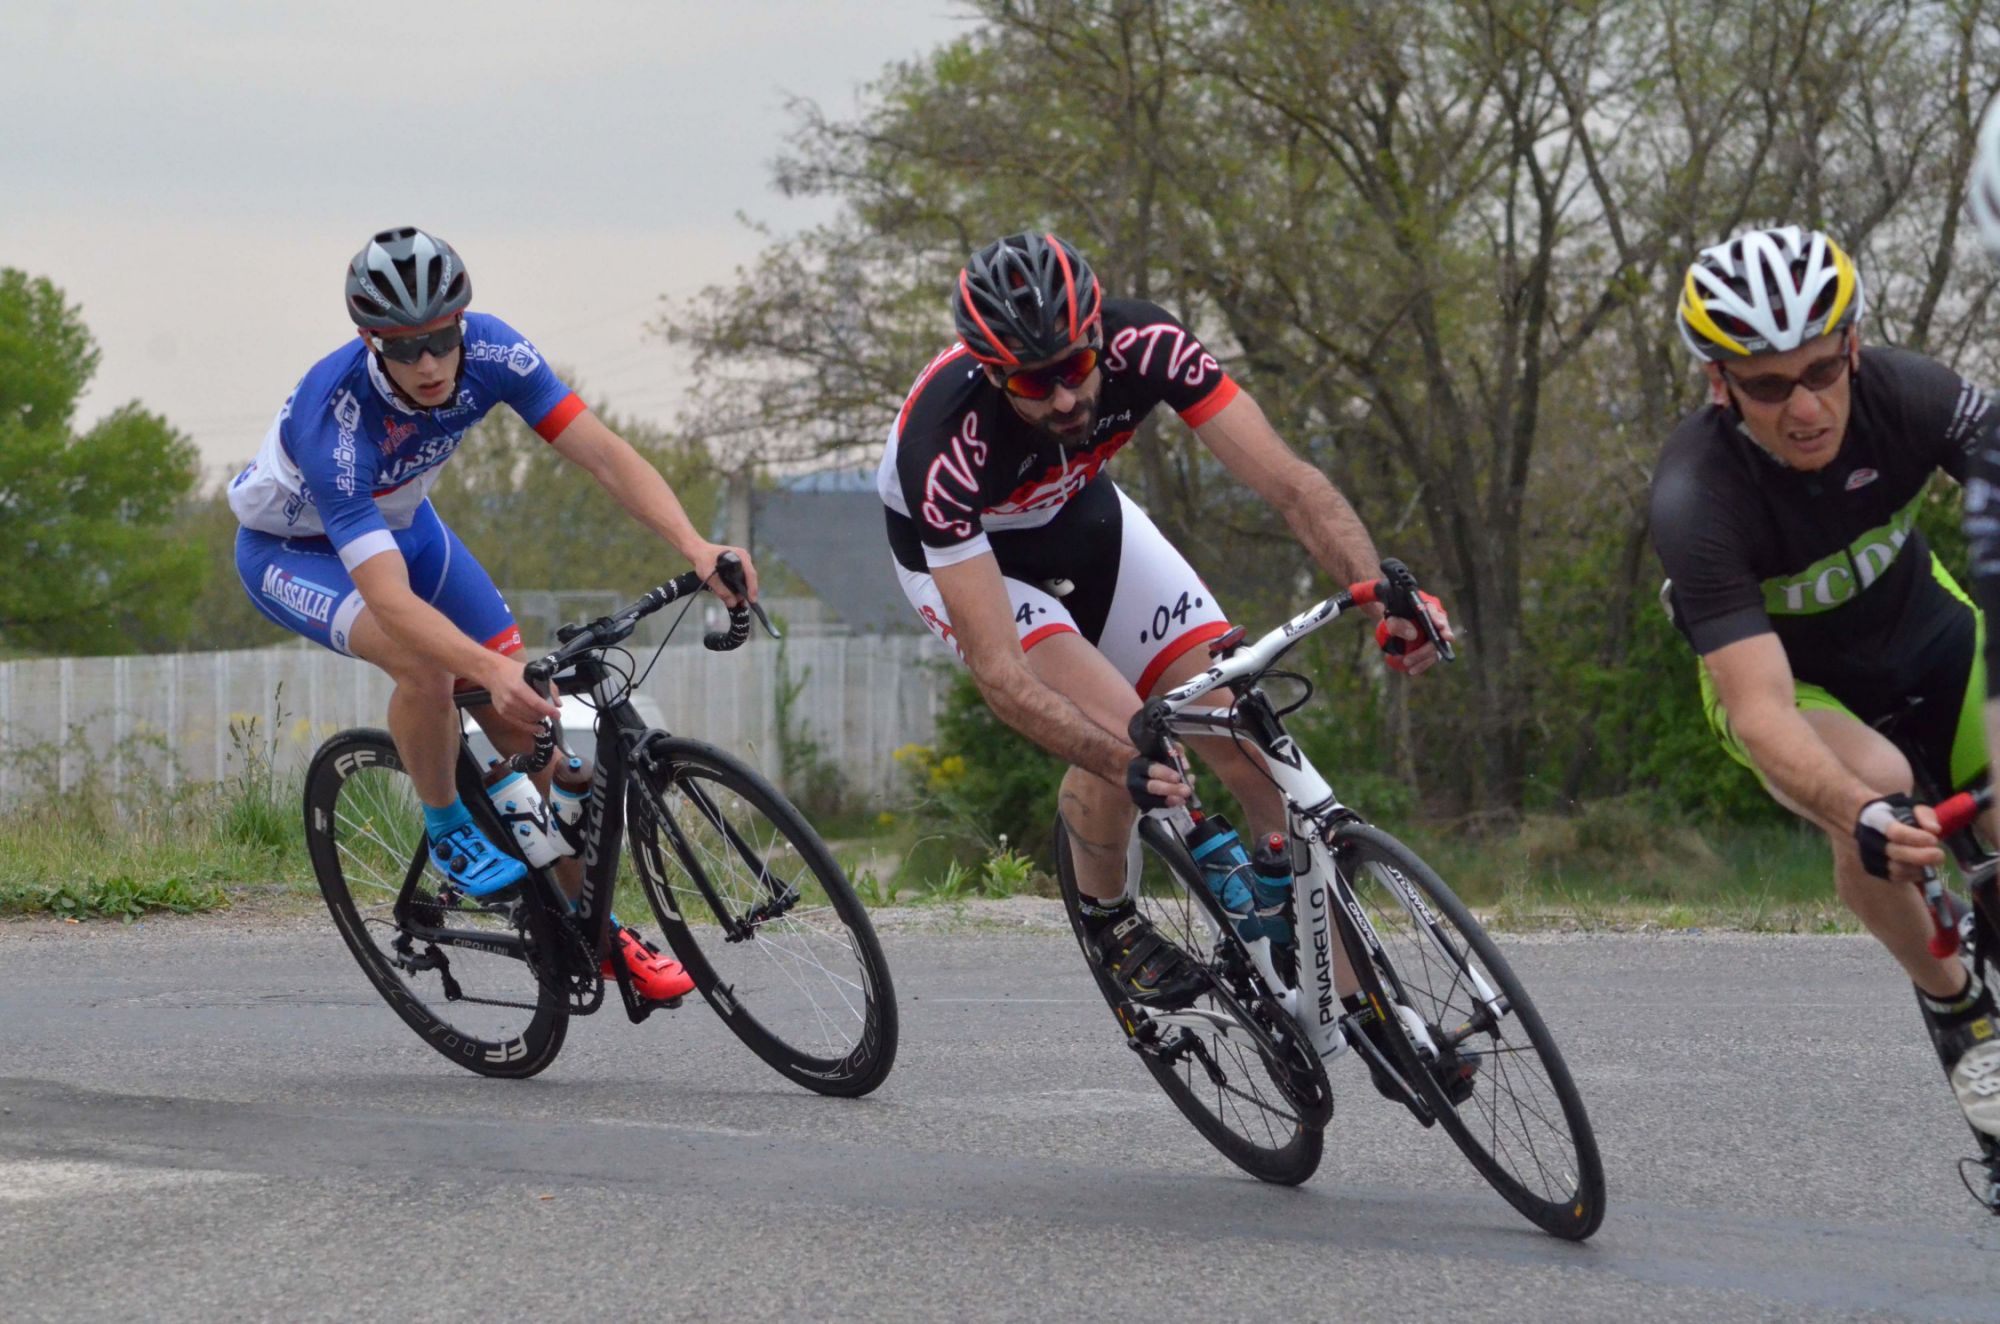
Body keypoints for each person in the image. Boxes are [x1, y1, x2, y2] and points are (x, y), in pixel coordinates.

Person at [876, 230, 1451, 1010]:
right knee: (1127, 737)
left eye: (1076, 367)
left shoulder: (1146, 341)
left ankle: (1375, 1015)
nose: (1064, 400)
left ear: (1098, 335)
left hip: (1083, 518)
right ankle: (1109, 917)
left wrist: (1381, 592)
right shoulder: (944, 446)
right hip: (973, 565)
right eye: (1034, 384)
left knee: (1245, 741)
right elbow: (1002, 677)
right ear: (993, 373)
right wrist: (1116, 758)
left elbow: (1291, 485)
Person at [229, 226, 758, 1004]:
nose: (429, 363)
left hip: (409, 527)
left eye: (441, 339)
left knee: (531, 730)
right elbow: (389, 601)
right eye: (405, 348)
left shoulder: (495, 351)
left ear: (462, 324)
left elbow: (603, 454)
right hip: (296, 551)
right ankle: (447, 827)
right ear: (372, 344)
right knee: (429, 666)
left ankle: (592, 930)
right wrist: (483, 668)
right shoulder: (332, 423)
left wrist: (696, 545)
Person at [1653, 223, 2000, 1139]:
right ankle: (1958, 1008)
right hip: (1798, 690)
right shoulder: (1698, 497)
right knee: (1876, 789)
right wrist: (1860, 815)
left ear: (1853, 347)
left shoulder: (1913, 393)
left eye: (1820, 371)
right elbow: (1762, 712)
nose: (1804, 408)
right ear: (1720, 383)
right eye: (1768, 386)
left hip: (1927, 632)